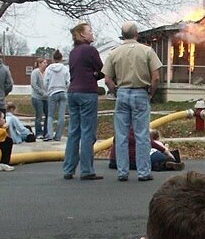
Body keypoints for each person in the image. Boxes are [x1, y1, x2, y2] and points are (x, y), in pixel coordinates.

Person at [103, 21, 163, 182]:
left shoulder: (114, 53)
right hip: (141, 93)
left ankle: (123, 172)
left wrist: (116, 91)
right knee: (142, 135)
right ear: (137, 34)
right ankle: (143, 172)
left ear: (123, 35)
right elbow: (156, 77)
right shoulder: (147, 51)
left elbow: (107, 79)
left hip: (122, 93)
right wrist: (151, 92)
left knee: (121, 135)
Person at [64, 22, 104, 180]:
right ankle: (87, 170)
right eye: (90, 31)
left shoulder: (73, 52)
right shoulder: (90, 50)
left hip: (72, 92)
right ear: (82, 34)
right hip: (87, 92)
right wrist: (95, 76)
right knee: (88, 131)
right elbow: (102, 70)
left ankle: (69, 168)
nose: (92, 34)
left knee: (74, 131)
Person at [44, 50, 69, 141]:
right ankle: (58, 135)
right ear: (61, 58)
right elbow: (68, 81)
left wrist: (47, 90)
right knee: (61, 115)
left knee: (50, 115)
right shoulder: (65, 69)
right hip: (62, 91)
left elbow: (45, 81)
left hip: (52, 92)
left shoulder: (49, 69)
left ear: (53, 58)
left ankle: (50, 134)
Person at [30, 57, 49, 138]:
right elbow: (34, 85)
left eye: (46, 63)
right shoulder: (35, 72)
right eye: (44, 62)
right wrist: (42, 92)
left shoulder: (47, 72)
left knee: (48, 115)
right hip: (37, 97)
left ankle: (46, 132)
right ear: (39, 64)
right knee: (39, 115)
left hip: (46, 97)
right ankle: (38, 133)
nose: (46, 64)